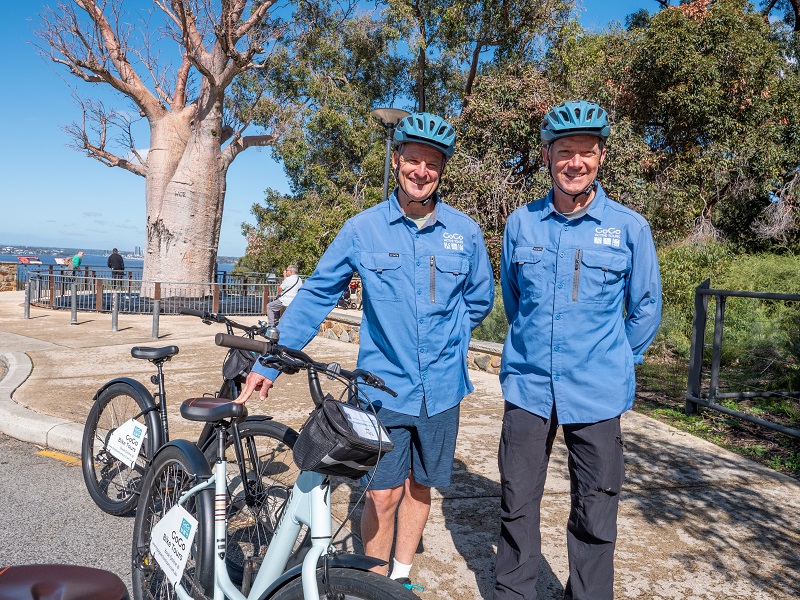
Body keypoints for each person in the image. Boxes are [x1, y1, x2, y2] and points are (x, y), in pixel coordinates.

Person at [237, 111, 495, 589]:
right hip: (381, 390)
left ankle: (401, 578)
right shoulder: (362, 229)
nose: (421, 171)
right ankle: (374, 584)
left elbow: (480, 298)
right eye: (412, 159)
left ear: (441, 170)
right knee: (380, 494)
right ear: (397, 161)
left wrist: (450, 337)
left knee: (421, 487)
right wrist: (270, 361)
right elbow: (315, 295)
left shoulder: (466, 233)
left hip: (442, 390)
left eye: (431, 163)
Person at [493, 100, 662, 600]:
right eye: (564, 151)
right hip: (528, 387)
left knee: (595, 508)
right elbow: (513, 297)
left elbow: (646, 306)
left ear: (601, 157)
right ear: (547, 156)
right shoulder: (520, 224)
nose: (575, 162)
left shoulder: (630, 228)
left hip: (597, 392)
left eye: (586, 152)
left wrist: (614, 358)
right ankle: (515, 594)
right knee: (517, 503)